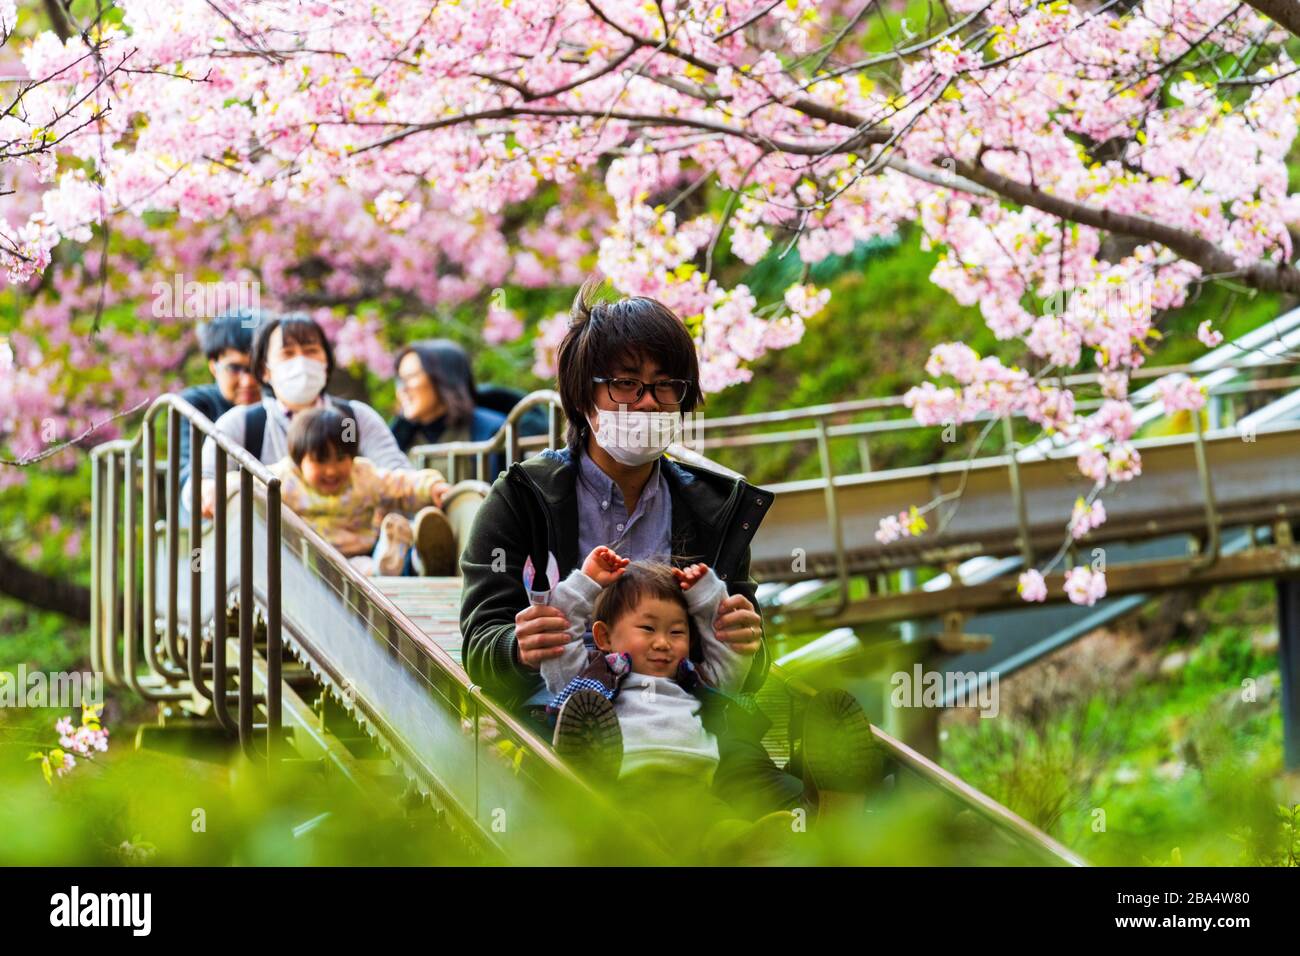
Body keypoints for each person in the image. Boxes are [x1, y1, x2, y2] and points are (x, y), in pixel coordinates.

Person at [459, 278, 872, 820]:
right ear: (585, 397)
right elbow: (480, 645)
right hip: (571, 723)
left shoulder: (712, 508)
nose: (648, 402)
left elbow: (743, 662)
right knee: (613, 823)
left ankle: (828, 805)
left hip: (695, 716)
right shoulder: (522, 499)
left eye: (665, 385)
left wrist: (749, 642)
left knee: (774, 818)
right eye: (626, 385)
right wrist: (517, 646)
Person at [269, 408, 457, 576]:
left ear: (353, 456)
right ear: (298, 460)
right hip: (302, 559)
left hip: (356, 558)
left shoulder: (362, 477)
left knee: (367, 571)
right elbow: (247, 485)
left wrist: (431, 487)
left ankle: (409, 557)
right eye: (321, 460)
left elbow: (400, 484)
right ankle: (404, 561)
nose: (331, 470)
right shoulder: (284, 480)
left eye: (341, 458)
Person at [390, 340, 509, 478]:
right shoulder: (398, 439)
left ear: (443, 378)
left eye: (412, 376)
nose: (402, 389)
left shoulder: (492, 432)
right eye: (400, 380)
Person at [176, 312, 263, 489]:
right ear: (213, 366)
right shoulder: (194, 405)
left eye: (257, 368)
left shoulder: (278, 406)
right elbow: (188, 476)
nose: (248, 381)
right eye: (235, 368)